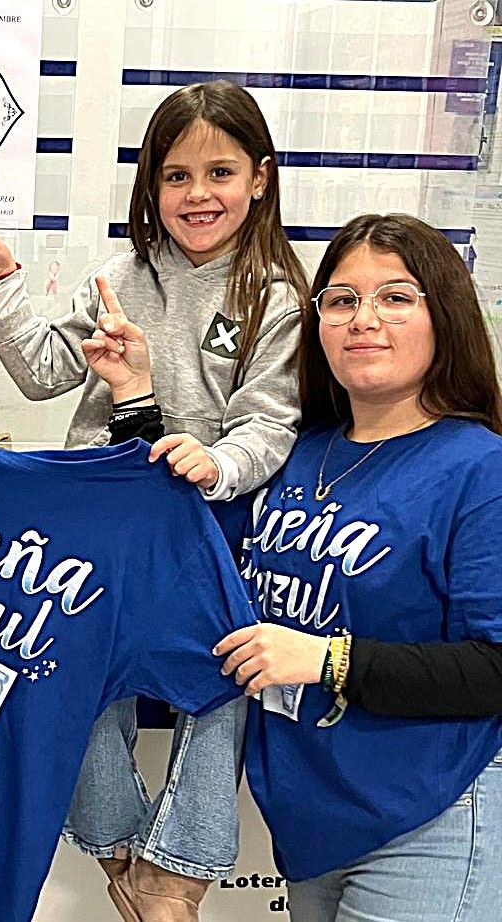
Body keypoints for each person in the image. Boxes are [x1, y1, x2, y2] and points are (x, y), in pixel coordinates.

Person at [0, 79, 309, 921]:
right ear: (151, 186)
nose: (198, 195)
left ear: (260, 178)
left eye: (220, 173)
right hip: (104, 532)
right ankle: (122, 861)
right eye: (176, 176)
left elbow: (270, 425)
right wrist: (2, 284)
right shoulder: (122, 275)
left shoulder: (277, 298)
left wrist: (214, 464)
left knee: (223, 683)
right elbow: (41, 371)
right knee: (68, 671)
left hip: (212, 529)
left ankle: (171, 881)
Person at [211, 213, 502, 921]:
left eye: (396, 298)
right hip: (311, 824)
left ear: (446, 318)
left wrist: (329, 660)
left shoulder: (479, 468)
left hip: (429, 814)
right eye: (340, 301)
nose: (362, 319)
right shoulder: (293, 451)